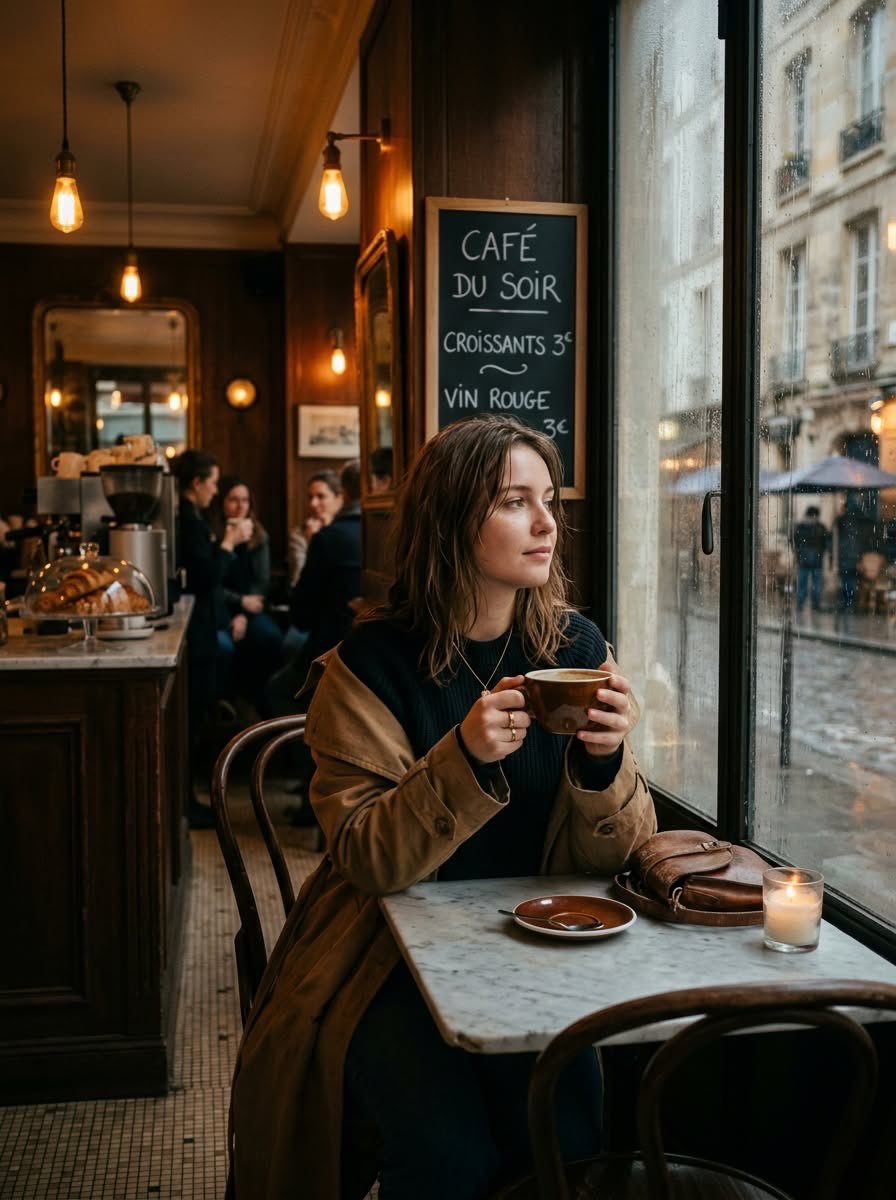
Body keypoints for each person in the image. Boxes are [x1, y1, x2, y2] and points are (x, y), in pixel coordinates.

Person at [230, 416, 656, 1200]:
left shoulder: (576, 648)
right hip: (384, 956)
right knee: (448, 1159)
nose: (545, 522)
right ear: (452, 521)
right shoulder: (369, 666)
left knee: (568, 1140)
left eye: (549, 500)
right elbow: (367, 859)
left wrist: (604, 761)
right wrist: (462, 758)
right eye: (513, 501)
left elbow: (612, 861)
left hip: (539, 948)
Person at [174, 450, 252, 827]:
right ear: (196, 483)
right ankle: (187, 802)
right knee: (192, 721)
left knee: (198, 717)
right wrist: (228, 543)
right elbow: (206, 578)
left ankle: (189, 799)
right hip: (200, 632)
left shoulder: (193, 518)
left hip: (205, 628)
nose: (216, 490)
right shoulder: (188, 521)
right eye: (214, 482)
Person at [207, 475, 284, 714]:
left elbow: (261, 584)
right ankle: (223, 703)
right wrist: (238, 604)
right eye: (233, 500)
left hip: (250, 608)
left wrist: (243, 615)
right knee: (223, 646)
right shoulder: (212, 534)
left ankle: (259, 703)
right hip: (219, 607)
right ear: (222, 503)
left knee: (269, 636)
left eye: (245, 500)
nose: (241, 506)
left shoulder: (258, 534)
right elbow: (211, 584)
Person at [286, 470, 343, 587]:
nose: (313, 503)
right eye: (310, 497)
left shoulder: (348, 529)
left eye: (321, 496)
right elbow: (297, 580)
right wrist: (313, 543)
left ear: (339, 498)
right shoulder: (299, 534)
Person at [835, 502, 874, 613]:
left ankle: (847, 603)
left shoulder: (842, 522)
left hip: (846, 557)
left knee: (846, 582)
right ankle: (849, 603)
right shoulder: (860, 524)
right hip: (854, 557)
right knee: (850, 582)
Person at [791, 505, 829, 613]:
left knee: (804, 583)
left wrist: (798, 553)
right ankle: (814, 605)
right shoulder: (820, 527)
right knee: (814, 584)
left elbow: (794, 541)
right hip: (815, 560)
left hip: (805, 560)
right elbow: (826, 542)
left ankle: (801, 604)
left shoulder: (800, 527)